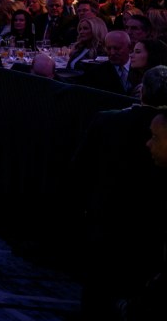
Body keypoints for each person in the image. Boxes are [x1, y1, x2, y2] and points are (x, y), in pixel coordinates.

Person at [70, 66, 167, 317]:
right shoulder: (115, 121)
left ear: (141, 91)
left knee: (98, 295)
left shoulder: (107, 120)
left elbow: (80, 169)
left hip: (107, 221)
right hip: (151, 228)